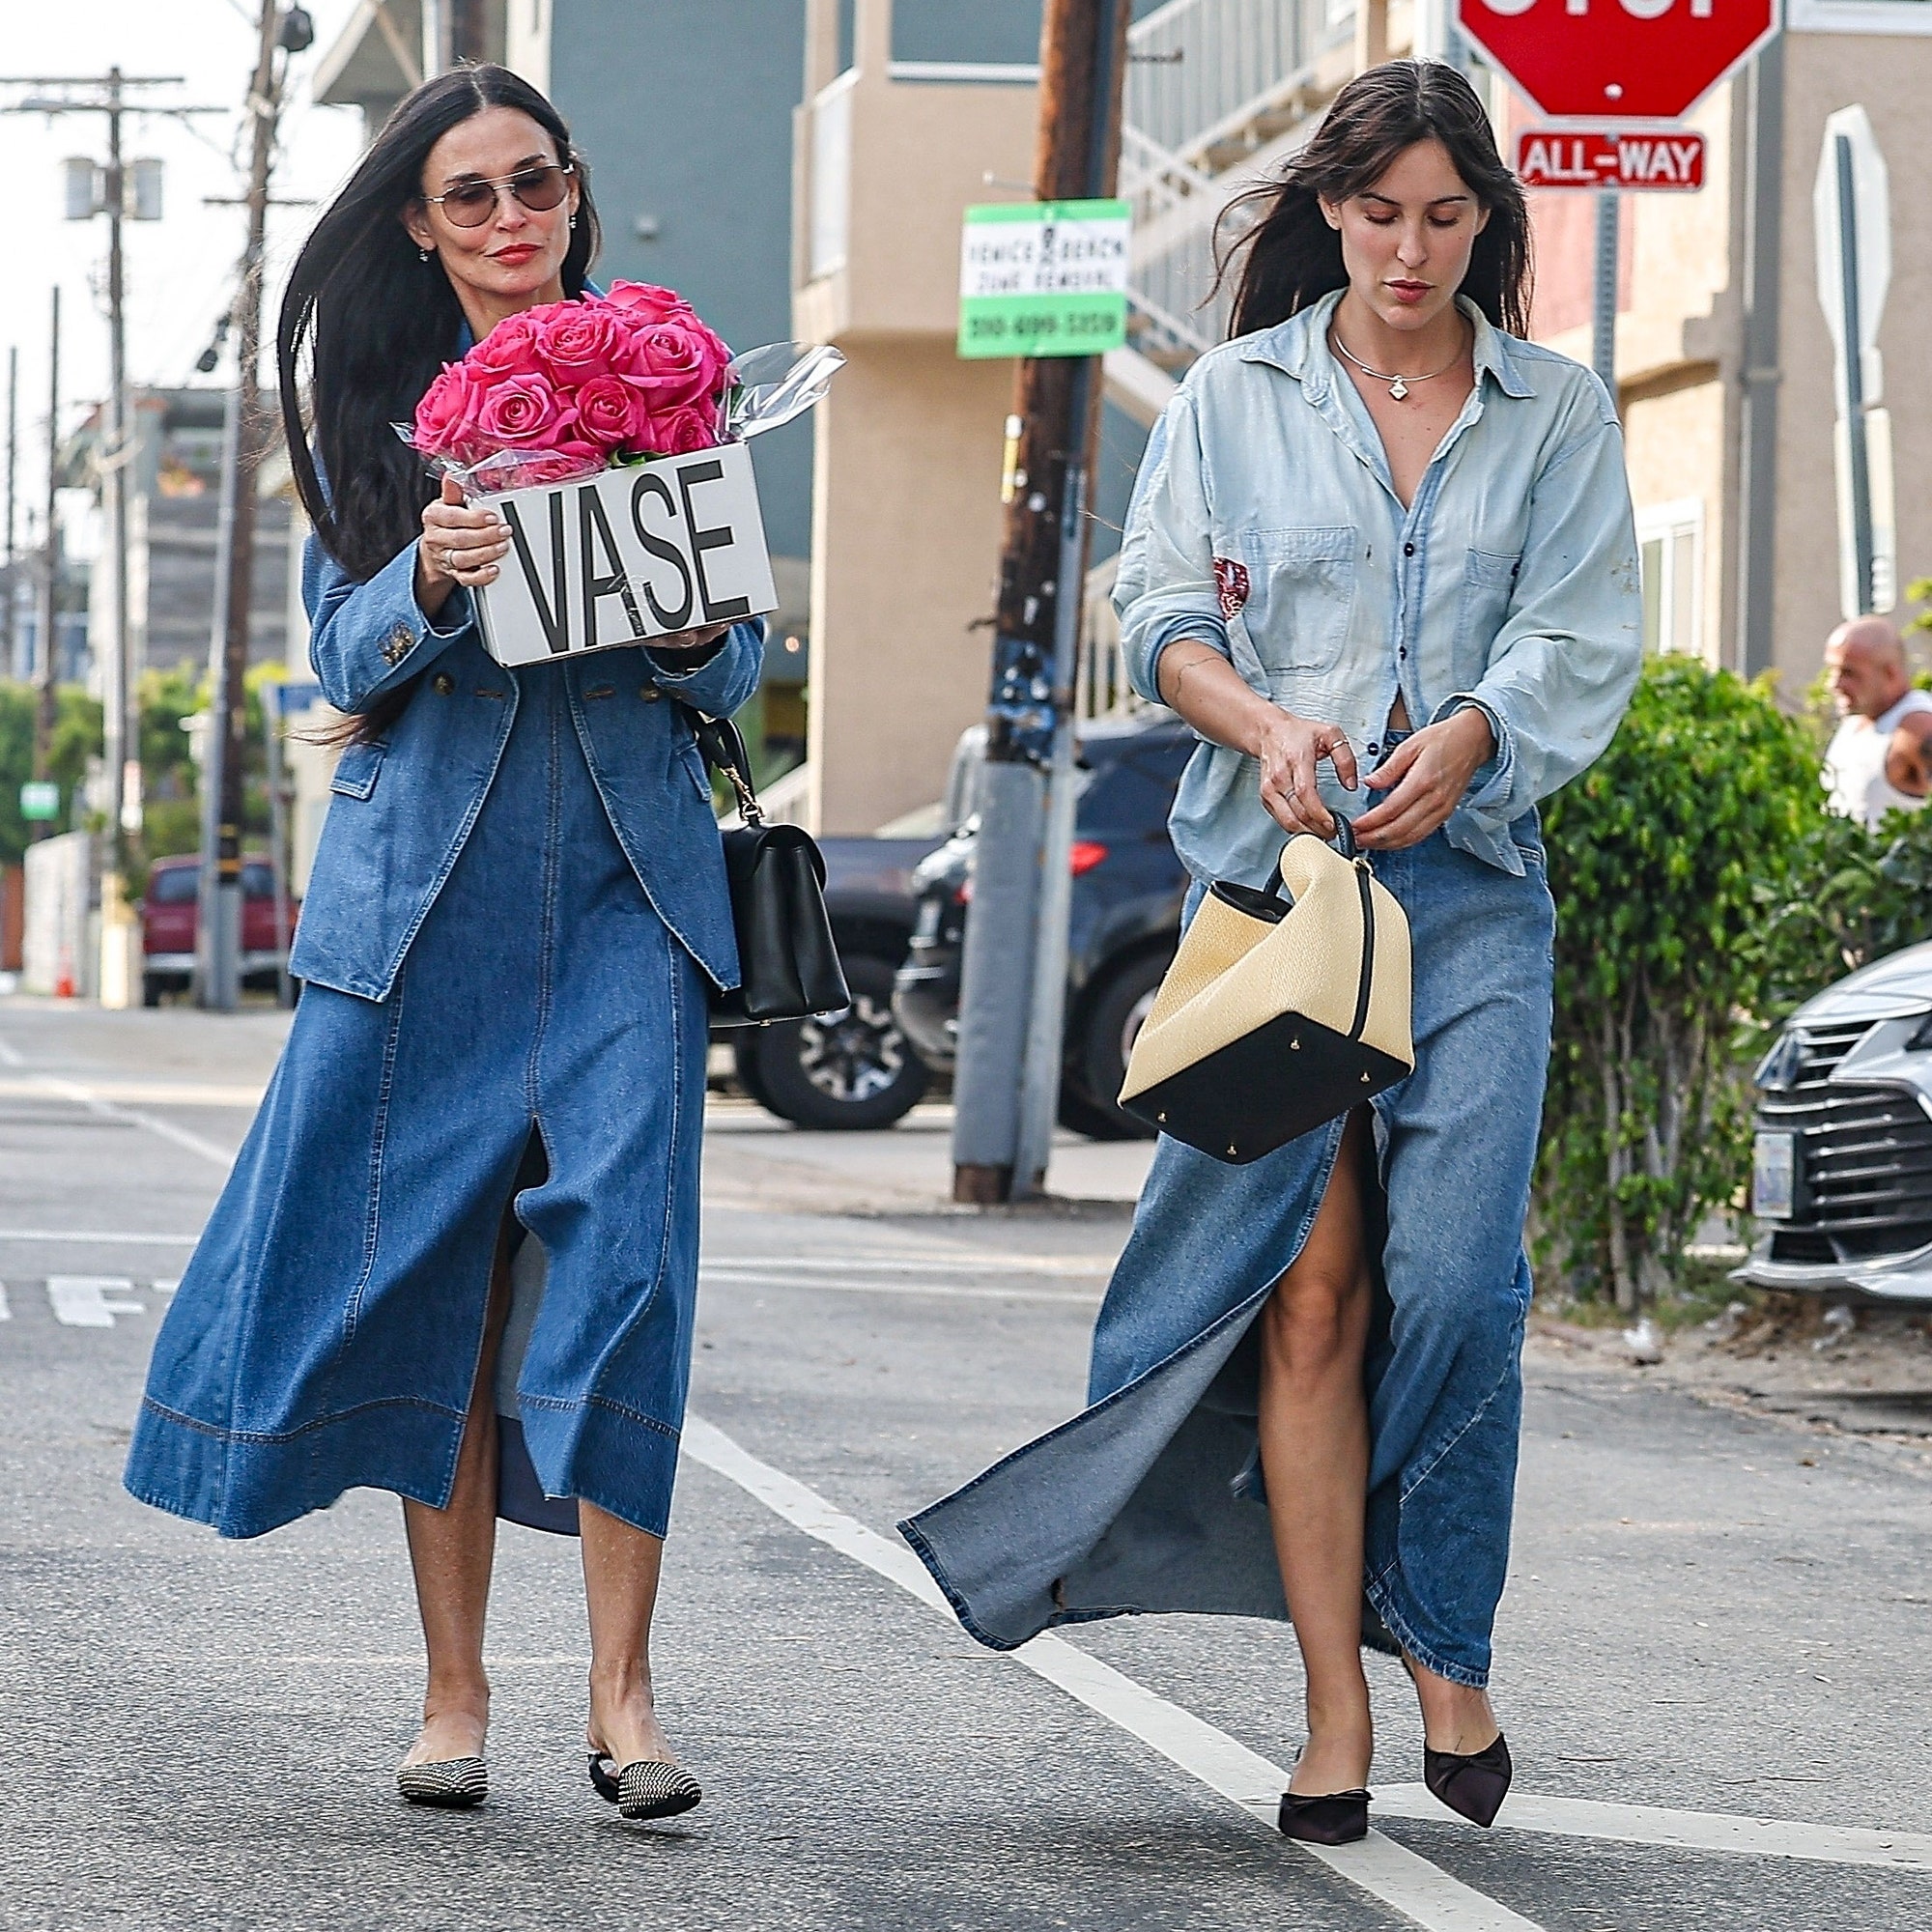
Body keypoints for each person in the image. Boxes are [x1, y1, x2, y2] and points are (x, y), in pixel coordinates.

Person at [899, 60, 1641, 1846]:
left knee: (1457, 1280)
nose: (1409, 248)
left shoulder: (1556, 410)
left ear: (1487, 221)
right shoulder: (1233, 395)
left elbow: (1580, 631)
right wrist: (1268, 732)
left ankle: (1436, 1627)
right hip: (1278, 910)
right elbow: (1158, 615)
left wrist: (1467, 737)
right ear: (1330, 209)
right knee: (1306, 1301)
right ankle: (1336, 1715)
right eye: (1379, 213)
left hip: (1465, 892)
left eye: (1446, 217)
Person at [123, 65, 763, 1823]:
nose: (507, 219)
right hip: (431, 901)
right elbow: (336, 661)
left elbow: (737, 669)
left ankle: (626, 1702)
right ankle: (454, 1692)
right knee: (455, 1291)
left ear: (574, 191)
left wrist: (703, 625)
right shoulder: (379, 415)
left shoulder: (671, 380)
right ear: (418, 220)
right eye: (468, 195)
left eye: (533, 183)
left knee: (626, 1271)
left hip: (635, 883)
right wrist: (428, 573)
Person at [1820, 616, 1932, 829]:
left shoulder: (1917, 727)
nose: (1834, 684)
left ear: (1890, 673)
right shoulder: (1854, 724)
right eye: (1832, 670)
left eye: (1849, 673)